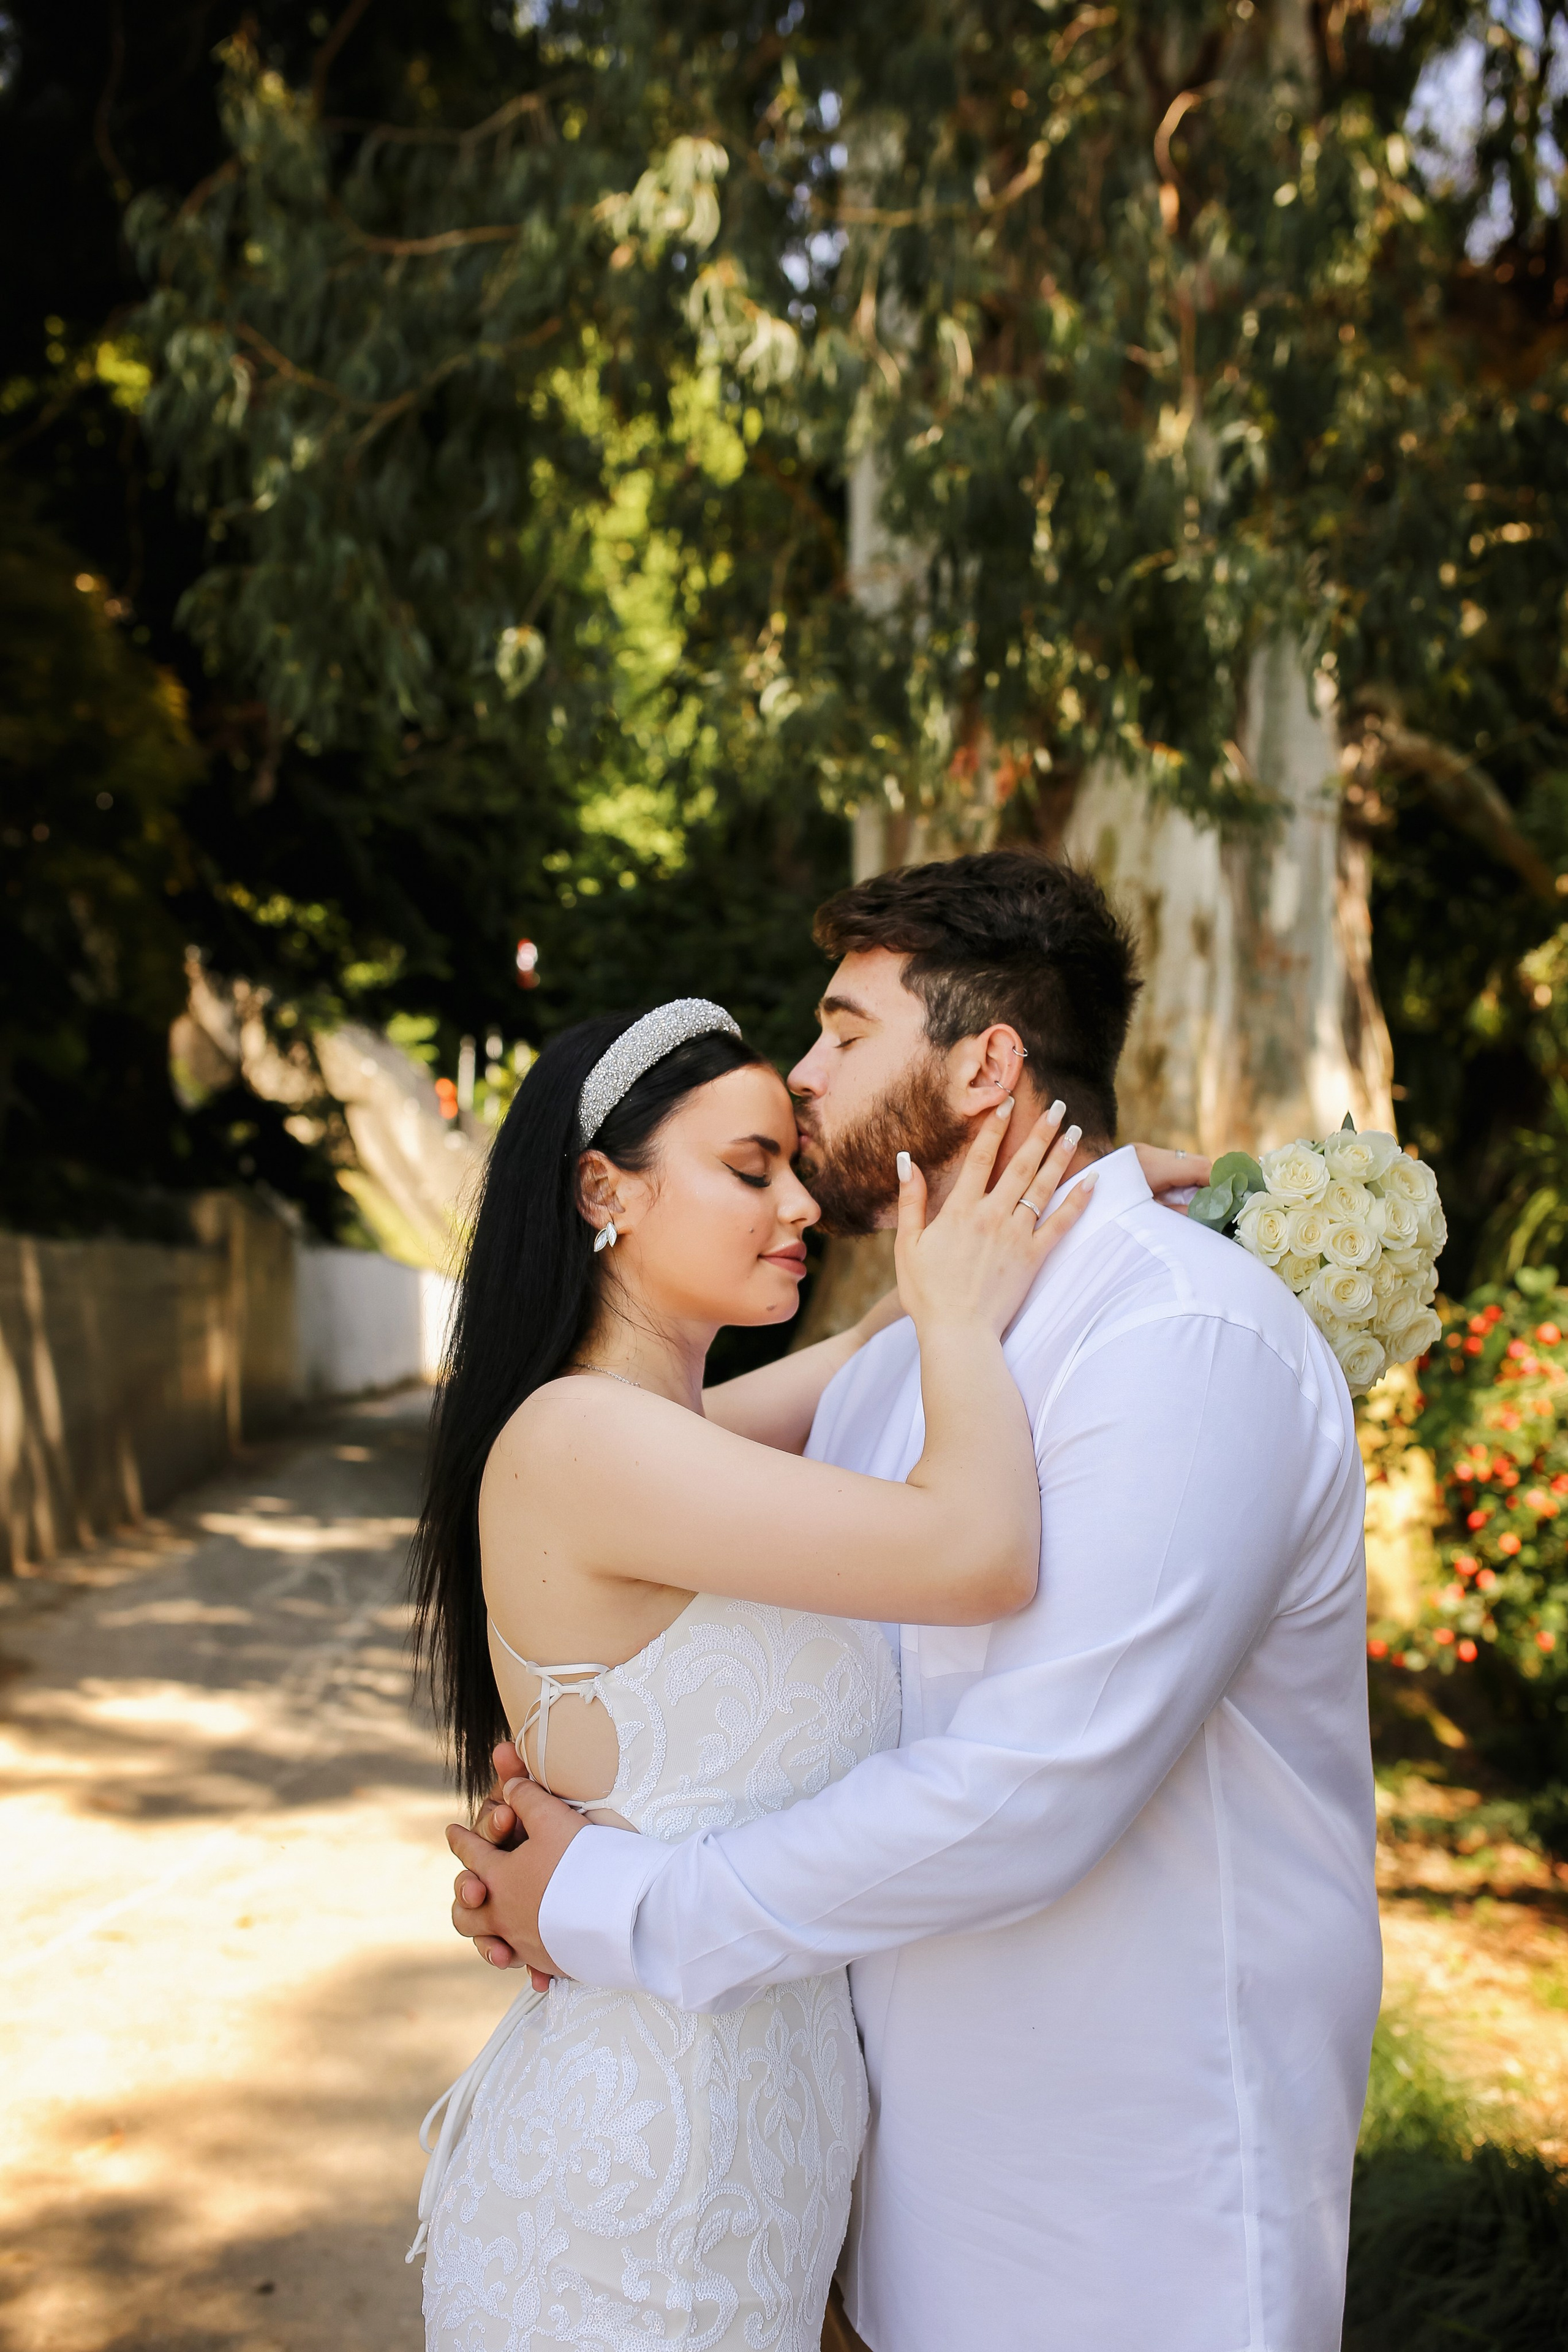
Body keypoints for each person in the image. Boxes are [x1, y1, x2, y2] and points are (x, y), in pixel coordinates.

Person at [449, 850, 1382, 2352]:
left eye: (841, 1030)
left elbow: (1026, 1793)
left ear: (984, 1064)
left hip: (1131, 2221)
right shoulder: (910, 1367)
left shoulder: (1180, 1339)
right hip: (877, 2204)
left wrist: (612, 1896)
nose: (802, 1078)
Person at [410, 982, 1169, 2350]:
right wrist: (949, 1320)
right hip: (632, 2205)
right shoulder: (589, 1440)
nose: (802, 1206)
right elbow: (977, 1551)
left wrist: (1105, 1193)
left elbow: (852, 1355)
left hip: (755, 2182)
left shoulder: (673, 1429)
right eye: (749, 1170)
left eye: (793, 1168)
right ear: (606, 1191)